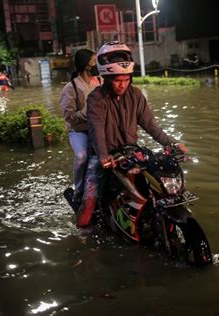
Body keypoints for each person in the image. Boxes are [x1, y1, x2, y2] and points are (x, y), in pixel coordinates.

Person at [75, 41, 187, 228]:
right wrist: (103, 156)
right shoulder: (96, 98)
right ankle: (81, 239)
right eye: (118, 81)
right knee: (88, 206)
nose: (122, 85)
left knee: (153, 188)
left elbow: (151, 126)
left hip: (130, 153)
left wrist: (171, 144)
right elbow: (96, 130)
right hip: (105, 156)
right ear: (107, 78)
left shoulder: (136, 95)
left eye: (126, 80)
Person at [60, 49, 101, 205]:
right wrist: (86, 112)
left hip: (98, 130)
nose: (96, 64)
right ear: (86, 65)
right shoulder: (71, 88)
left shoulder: (100, 82)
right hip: (79, 131)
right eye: (94, 61)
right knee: (82, 156)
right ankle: (78, 191)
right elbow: (68, 116)